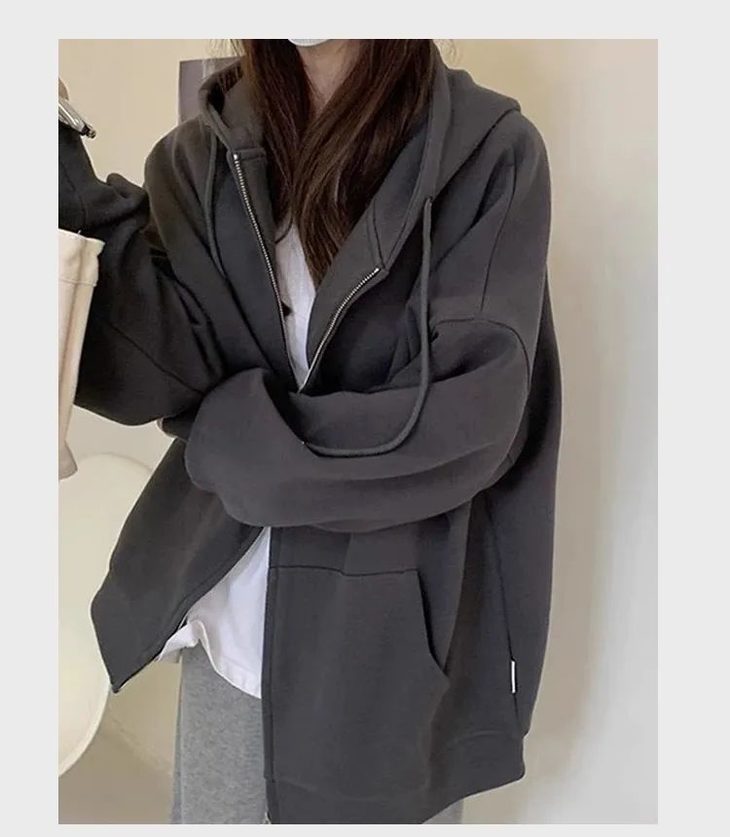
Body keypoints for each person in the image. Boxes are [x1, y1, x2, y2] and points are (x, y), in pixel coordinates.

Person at [58, 39, 561, 825]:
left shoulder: (488, 153)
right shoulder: (202, 154)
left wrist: (247, 450)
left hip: (385, 649)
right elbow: (158, 365)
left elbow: (470, 420)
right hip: (231, 631)